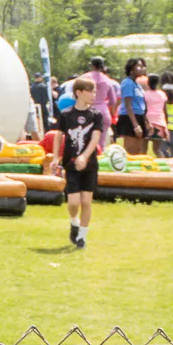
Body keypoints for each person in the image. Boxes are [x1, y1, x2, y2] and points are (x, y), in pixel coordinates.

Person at [53, 74, 101, 248]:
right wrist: (55, 157)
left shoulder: (96, 115)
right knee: (73, 203)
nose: (93, 95)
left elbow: (95, 138)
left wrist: (84, 156)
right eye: (90, 91)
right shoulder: (66, 115)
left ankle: (82, 236)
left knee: (86, 202)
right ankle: (74, 222)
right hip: (71, 164)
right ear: (79, 93)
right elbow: (58, 136)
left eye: (94, 92)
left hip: (90, 165)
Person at [116, 58, 150, 156]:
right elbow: (128, 105)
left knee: (138, 149)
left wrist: (146, 122)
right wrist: (135, 125)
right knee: (131, 149)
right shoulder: (127, 83)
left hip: (139, 117)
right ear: (131, 69)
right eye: (139, 66)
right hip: (130, 118)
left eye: (143, 66)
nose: (142, 68)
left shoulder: (137, 85)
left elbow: (142, 105)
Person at [142, 75, 167, 159]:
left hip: (147, 122)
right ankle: (163, 164)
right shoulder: (162, 94)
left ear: (148, 82)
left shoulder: (145, 94)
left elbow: (144, 109)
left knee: (143, 150)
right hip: (159, 122)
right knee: (157, 150)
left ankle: (143, 165)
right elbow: (164, 110)